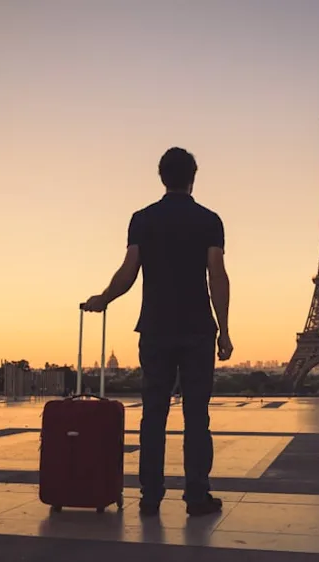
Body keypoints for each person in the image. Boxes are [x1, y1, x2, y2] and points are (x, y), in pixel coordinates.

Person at [83, 147, 232, 517]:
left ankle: (150, 496)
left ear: (162, 178)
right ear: (193, 178)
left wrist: (104, 298)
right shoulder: (209, 220)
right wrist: (225, 329)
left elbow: (128, 271)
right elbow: (217, 275)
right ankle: (196, 495)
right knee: (197, 417)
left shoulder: (142, 219)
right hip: (197, 329)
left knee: (153, 415)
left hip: (155, 328)